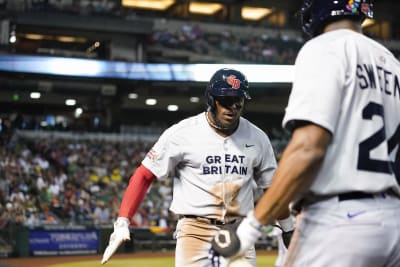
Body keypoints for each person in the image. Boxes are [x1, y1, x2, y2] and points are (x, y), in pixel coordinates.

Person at [211, 0, 400, 266]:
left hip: (342, 220)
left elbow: (308, 148)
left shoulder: (324, 47)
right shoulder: (392, 63)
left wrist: (249, 229)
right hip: (393, 221)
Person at [100, 68, 294, 266]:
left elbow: (272, 188)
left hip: (239, 232)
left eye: (238, 101)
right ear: (211, 99)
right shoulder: (182, 133)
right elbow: (144, 174)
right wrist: (122, 221)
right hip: (195, 231)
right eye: (225, 101)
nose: (232, 107)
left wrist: (288, 228)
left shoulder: (258, 137)